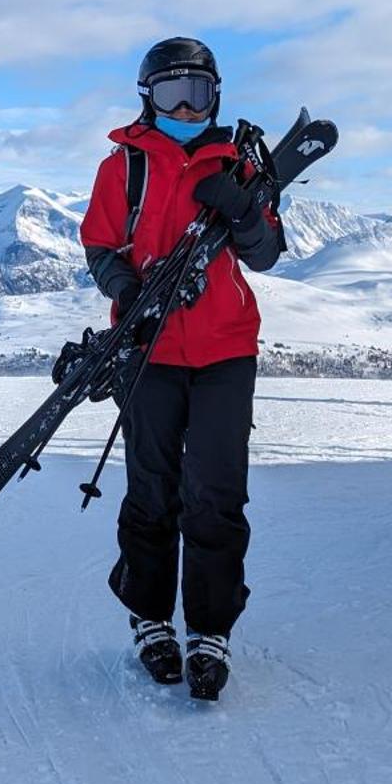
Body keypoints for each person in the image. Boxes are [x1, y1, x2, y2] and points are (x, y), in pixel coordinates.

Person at [78, 36, 283, 702]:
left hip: (226, 349)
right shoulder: (125, 166)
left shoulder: (241, 160)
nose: (187, 106)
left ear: (216, 93)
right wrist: (123, 285)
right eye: (172, 93)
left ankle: (210, 627)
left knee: (217, 492)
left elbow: (267, 253)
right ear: (148, 98)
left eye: (198, 91)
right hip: (149, 351)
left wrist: (246, 209)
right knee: (152, 488)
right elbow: (100, 242)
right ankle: (150, 614)